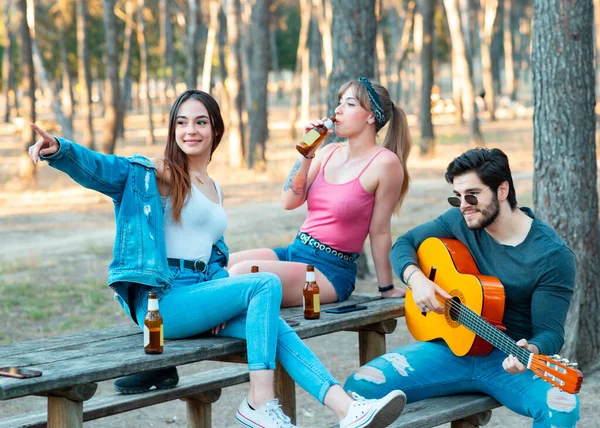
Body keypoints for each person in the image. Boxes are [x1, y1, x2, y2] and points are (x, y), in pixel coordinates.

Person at [28, 89, 407, 428]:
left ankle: (346, 409)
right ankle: (260, 402)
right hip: (165, 302)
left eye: (200, 122)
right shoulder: (160, 174)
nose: (189, 130)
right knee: (264, 283)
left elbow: (208, 254)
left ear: (215, 130)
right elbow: (104, 170)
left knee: (273, 326)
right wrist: (61, 151)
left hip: (200, 294)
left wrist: (219, 284)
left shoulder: (212, 187)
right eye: (181, 122)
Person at [343, 148, 580, 427]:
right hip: (449, 352)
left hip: (508, 361)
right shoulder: (459, 220)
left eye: (472, 195)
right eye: (457, 197)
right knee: (359, 387)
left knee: (562, 407)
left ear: (502, 190)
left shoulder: (551, 255)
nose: (463, 205)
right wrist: (416, 279)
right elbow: (403, 244)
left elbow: (550, 332)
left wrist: (533, 349)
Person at [227, 77, 410, 307]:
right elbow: (288, 201)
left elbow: (380, 231)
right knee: (222, 267)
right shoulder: (328, 152)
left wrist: (386, 288)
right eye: (339, 102)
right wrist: (307, 152)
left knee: (242, 273)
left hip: (330, 271)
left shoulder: (385, 163)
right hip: (296, 251)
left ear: (371, 116)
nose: (338, 110)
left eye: (350, 104)